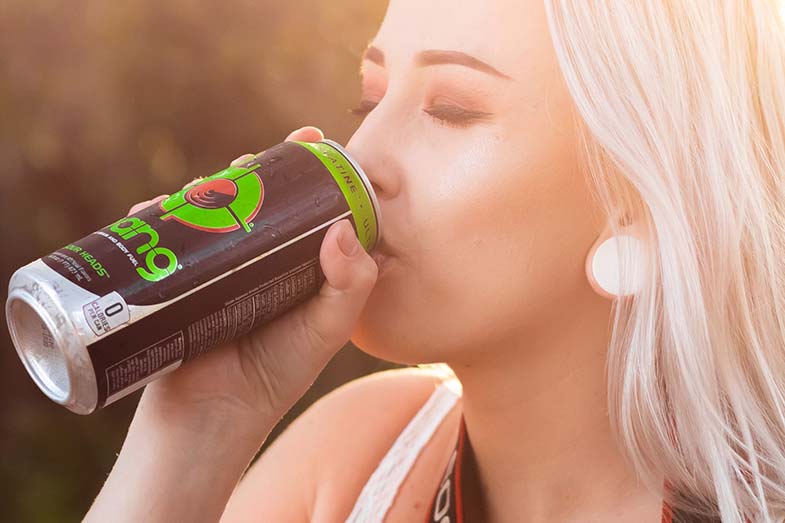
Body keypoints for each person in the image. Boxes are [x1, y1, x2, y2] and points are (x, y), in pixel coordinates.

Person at [83, 0, 785, 521]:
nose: (361, 160)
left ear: (636, 196)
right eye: (369, 99)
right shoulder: (353, 462)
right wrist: (196, 432)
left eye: (449, 108)